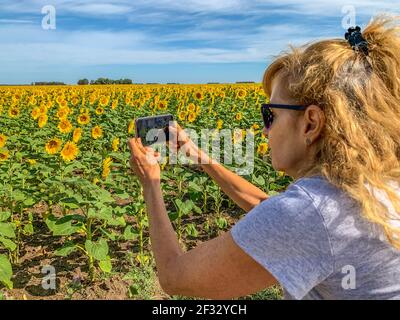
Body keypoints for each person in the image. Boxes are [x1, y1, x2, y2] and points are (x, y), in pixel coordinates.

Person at [127, 15, 400, 300]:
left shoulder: (312, 213)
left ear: (310, 124)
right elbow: (266, 206)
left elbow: (175, 277)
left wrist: (151, 183)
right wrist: (199, 157)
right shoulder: (377, 184)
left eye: (270, 115)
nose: (264, 129)